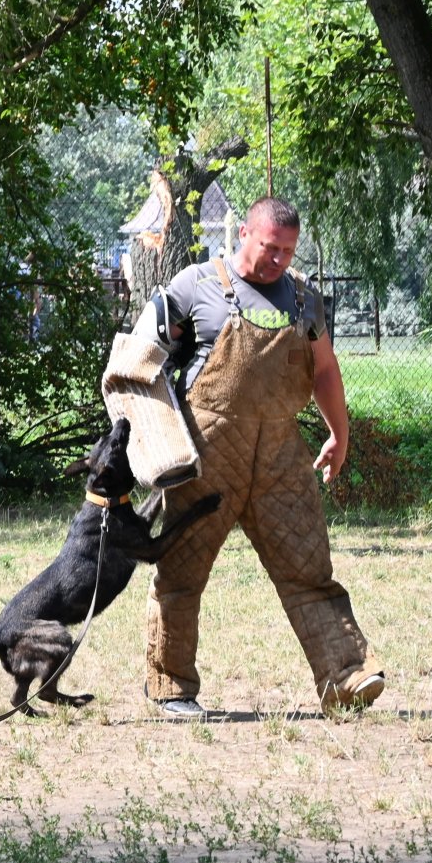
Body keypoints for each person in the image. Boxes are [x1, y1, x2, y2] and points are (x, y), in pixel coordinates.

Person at [130, 196, 382, 718]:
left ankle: (347, 675)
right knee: (181, 570)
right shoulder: (194, 285)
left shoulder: (304, 302)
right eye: (271, 248)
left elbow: (325, 370)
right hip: (206, 455)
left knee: (308, 567)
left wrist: (340, 433)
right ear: (244, 232)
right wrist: (147, 438)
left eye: (288, 252)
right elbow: (137, 364)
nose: (280, 261)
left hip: (280, 460)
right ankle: (171, 687)